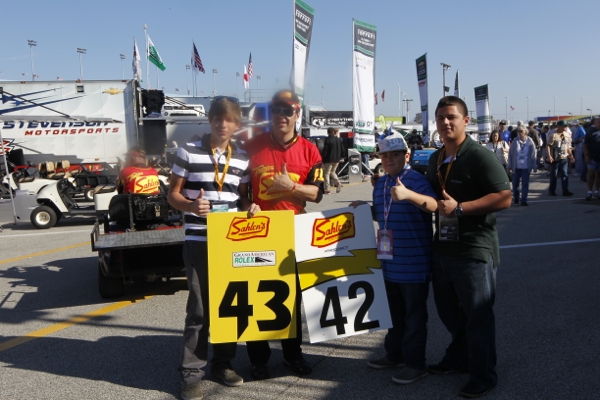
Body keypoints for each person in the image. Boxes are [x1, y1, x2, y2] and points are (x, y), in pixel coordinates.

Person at [167, 97, 258, 400]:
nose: (222, 124)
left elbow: (241, 196)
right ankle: (191, 375)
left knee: (228, 307)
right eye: (218, 118)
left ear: (237, 124)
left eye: (229, 119)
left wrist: (251, 207)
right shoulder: (188, 151)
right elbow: (172, 194)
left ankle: (223, 365)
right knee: (199, 310)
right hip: (198, 241)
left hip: (230, 242)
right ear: (210, 120)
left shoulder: (242, 158)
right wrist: (191, 206)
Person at [426, 96, 511, 399]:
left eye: (451, 116)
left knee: (478, 316)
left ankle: (483, 374)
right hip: (444, 248)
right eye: (440, 117)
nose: (445, 122)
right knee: (449, 312)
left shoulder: (479, 156)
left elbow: (504, 197)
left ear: (466, 121)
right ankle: (460, 357)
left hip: (474, 250)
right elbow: (430, 197)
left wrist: (461, 208)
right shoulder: (436, 159)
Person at [244, 89, 324, 380]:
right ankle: (258, 359)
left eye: (287, 111)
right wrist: (246, 205)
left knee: (291, 298)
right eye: (276, 110)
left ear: (297, 114)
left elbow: (317, 194)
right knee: (256, 295)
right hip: (258, 233)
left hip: (294, 234)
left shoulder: (310, 150)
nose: (281, 115)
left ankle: (293, 355)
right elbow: (239, 191)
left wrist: (291, 187)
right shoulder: (251, 145)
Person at [350, 133, 437, 385]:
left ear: (406, 156)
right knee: (393, 315)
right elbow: (383, 214)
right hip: (388, 264)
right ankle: (394, 354)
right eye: (384, 156)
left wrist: (408, 195)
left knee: (414, 318)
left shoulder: (417, 180)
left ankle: (416, 364)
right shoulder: (380, 184)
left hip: (414, 264)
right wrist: (364, 209)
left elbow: (434, 205)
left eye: (395, 155)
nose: (388, 160)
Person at [508, 126, 537, 206]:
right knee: (515, 184)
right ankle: (516, 197)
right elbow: (511, 154)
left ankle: (524, 200)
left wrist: (534, 165)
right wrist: (509, 166)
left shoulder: (530, 141)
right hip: (516, 166)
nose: (519, 133)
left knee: (525, 184)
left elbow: (533, 154)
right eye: (518, 131)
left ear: (525, 132)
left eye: (521, 131)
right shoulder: (515, 141)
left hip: (526, 166)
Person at [546, 120, 574, 196]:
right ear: (559, 126)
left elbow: (567, 146)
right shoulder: (553, 135)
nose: (565, 127)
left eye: (566, 126)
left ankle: (565, 190)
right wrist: (549, 156)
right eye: (564, 126)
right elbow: (548, 146)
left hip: (564, 157)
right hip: (556, 157)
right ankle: (552, 190)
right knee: (554, 175)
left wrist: (571, 155)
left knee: (565, 174)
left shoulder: (566, 134)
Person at [583, 117, 600, 200]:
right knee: (591, 174)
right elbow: (585, 145)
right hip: (591, 157)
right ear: (595, 123)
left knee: (598, 175)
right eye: (599, 122)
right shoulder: (590, 132)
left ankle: (597, 191)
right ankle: (589, 192)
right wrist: (586, 156)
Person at [322, 127, 343, 194]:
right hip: (337, 159)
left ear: (327, 132)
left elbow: (325, 151)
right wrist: (341, 157)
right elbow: (342, 149)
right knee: (333, 172)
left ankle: (327, 189)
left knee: (327, 174)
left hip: (329, 160)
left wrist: (323, 159)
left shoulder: (327, 139)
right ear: (333, 132)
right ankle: (338, 182)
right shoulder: (338, 139)